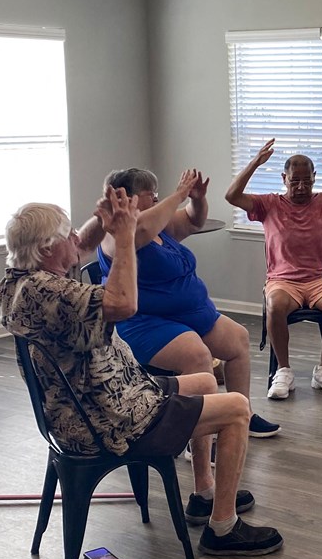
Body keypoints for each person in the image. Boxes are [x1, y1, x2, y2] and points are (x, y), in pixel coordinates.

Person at [0, 188, 283, 556]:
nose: (75, 238)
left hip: (107, 393)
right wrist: (123, 236)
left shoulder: (18, 281)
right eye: (66, 234)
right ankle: (223, 527)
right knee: (237, 410)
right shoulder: (56, 295)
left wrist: (105, 218)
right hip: (111, 417)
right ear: (48, 249)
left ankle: (204, 493)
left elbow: (81, 243)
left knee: (207, 381)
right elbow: (123, 303)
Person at [97, 166, 279, 439]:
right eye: (151, 195)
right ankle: (202, 434)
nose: (157, 200)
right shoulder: (117, 234)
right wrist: (179, 193)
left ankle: (242, 416)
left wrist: (195, 198)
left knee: (238, 340)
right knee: (198, 356)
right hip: (144, 323)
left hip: (186, 314)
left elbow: (194, 221)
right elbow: (142, 227)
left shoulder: (162, 226)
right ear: (126, 198)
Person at [225, 140, 322, 400]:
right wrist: (254, 164)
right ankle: (283, 371)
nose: (301, 187)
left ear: (315, 178)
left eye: (307, 181)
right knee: (275, 305)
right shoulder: (268, 204)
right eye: (295, 182)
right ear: (284, 178)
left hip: (321, 279)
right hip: (283, 280)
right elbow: (232, 196)